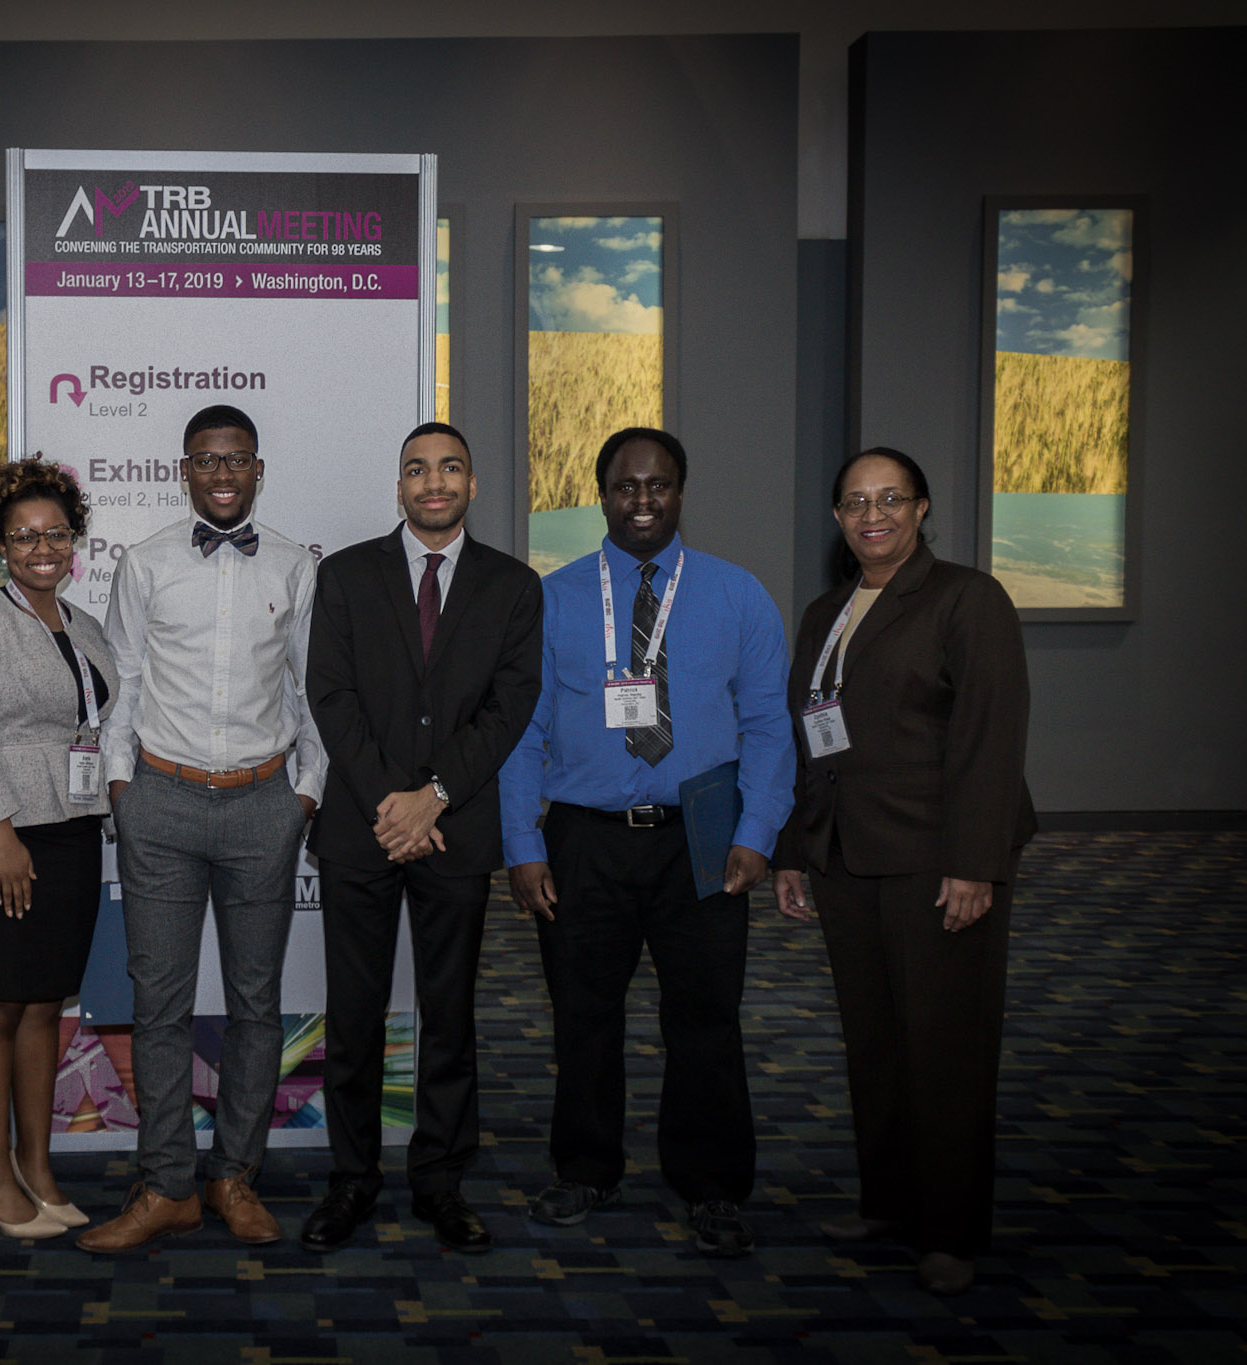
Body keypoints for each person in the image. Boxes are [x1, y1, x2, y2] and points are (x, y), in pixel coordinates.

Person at [497, 426, 794, 1258]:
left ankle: (710, 1183)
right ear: (601, 494)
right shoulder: (551, 600)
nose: (642, 500)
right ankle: (586, 1166)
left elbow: (771, 725)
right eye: (625, 486)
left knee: (706, 1016)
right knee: (581, 1015)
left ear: (680, 492)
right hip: (583, 835)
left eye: (658, 485)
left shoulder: (739, 597)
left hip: (703, 825)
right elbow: (520, 732)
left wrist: (757, 830)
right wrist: (522, 841)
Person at [771, 447, 1034, 1297]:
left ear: (922, 508)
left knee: (945, 1049)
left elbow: (990, 739)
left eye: (890, 499)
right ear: (839, 517)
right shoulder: (826, 610)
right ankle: (889, 1200)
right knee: (876, 1043)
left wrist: (974, 862)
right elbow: (810, 737)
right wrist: (795, 849)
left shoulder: (967, 598)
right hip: (849, 858)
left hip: (935, 861)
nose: (870, 514)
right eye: (854, 501)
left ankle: (949, 1228)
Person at [76, 403, 326, 1253]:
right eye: (207, 461)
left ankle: (233, 1175)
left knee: (257, 1004)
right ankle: (166, 1184)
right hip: (162, 802)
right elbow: (124, 682)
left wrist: (306, 792)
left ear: (259, 469)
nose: (222, 474)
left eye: (237, 460)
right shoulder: (144, 565)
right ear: (184, 470)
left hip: (265, 805)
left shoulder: (296, 565)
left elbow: (309, 689)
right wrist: (122, 789)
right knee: (160, 1005)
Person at [300, 422, 543, 1254]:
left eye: (449, 468)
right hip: (362, 829)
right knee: (356, 1016)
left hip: (456, 829)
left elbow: (509, 707)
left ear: (472, 484)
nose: (432, 482)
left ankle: (440, 1180)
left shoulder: (513, 586)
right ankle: (353, 1179)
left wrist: (433, 797)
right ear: (398, 486)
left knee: (450, 1016)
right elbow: (330, 697)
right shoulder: (345, 575)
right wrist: (392, 804)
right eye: (416, 469)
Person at [0, 458, 116, 1239]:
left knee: (46, 1003)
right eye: (24, 536)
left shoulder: (84, 623)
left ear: (73, 541)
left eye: (56, 534)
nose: (42, 547)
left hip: (72, 831)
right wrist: (0, 835)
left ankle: (37, 1164)